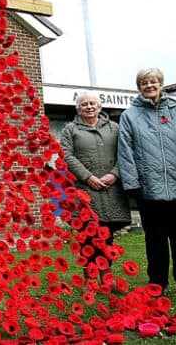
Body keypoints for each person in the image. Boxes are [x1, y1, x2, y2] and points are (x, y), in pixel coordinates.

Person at [117, 67, 176, 296]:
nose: (149, 86)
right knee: (155, 239)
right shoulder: (129, 116)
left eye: (153, 82)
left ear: (161, 84)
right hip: (148, 188)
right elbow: (125, 151)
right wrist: (132, 183)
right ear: (139, 87)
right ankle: (157, 282)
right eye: (144, 82)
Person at [60, 92, 130, 279]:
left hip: (110, 191)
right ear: (78, 109)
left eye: (93, 104)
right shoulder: (71, 129)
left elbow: (125, 153)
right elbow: (66, 155)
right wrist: (87, 176)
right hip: (85, 191)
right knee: (87, 237)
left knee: (107, 236)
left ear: (99, 107)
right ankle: (89, 281)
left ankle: (108, 279)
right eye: (84, 105)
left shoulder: (114, 128)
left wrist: (115, 175)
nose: (89, 107)